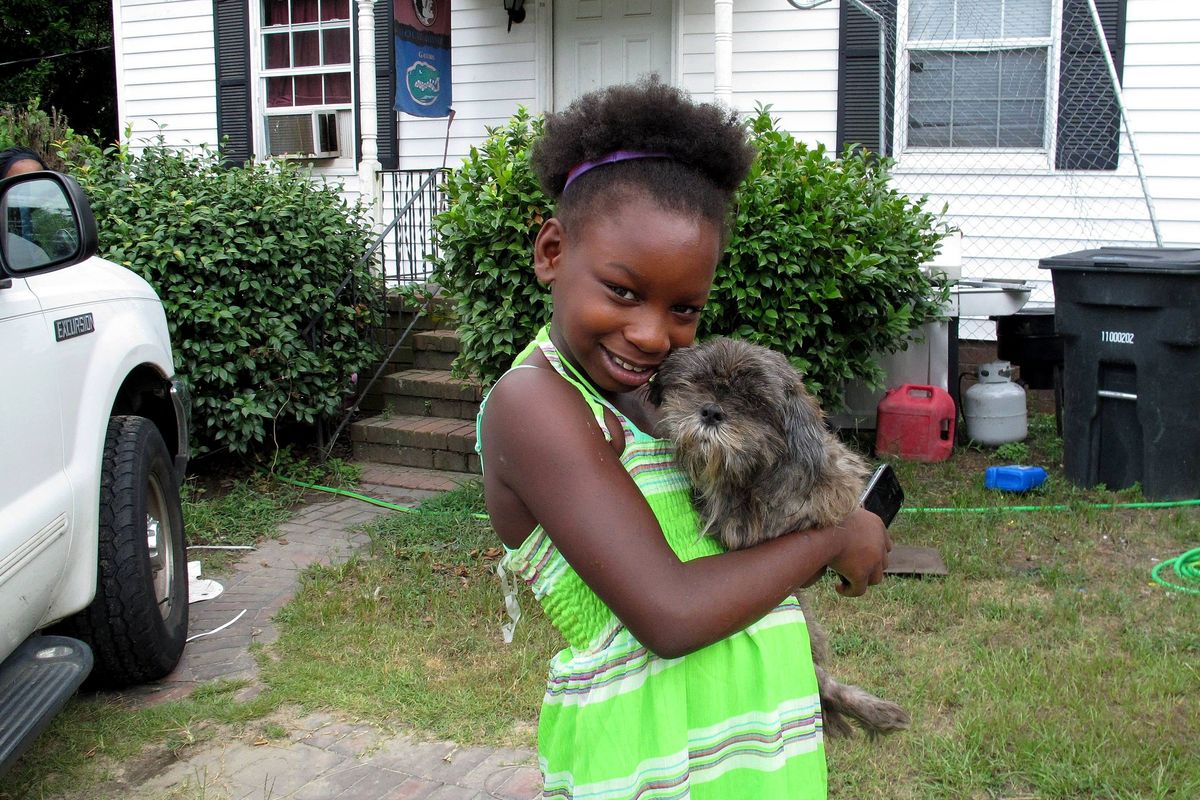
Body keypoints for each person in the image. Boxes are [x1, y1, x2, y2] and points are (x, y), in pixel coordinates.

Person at [475, 79, 893, 799]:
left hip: (754, 741)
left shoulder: (655, 393)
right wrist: (835, 537)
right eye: (623, 291)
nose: (650, 334)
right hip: (650, 756)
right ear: (551, 251)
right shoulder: (533, 404)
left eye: (684, 308)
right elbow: (668, 612)